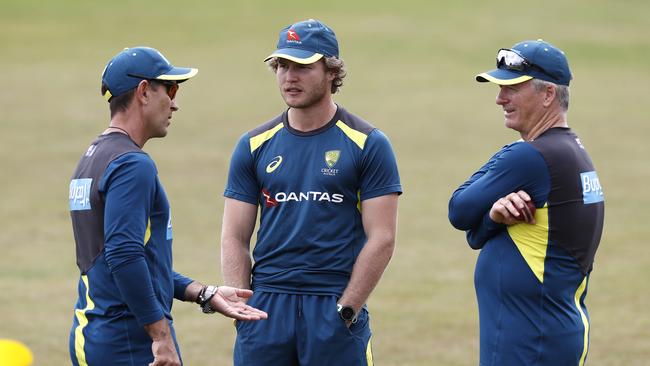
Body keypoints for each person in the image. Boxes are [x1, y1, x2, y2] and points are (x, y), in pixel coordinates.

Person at [68, 46, 267, 366]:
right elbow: (124, 255)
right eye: (170, 89)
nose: (174, 103)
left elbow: (124, 258)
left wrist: (203, 293)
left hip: (95, 331)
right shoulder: (132, 165)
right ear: (144, 91)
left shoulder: (94, 157)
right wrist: (160, 336)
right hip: (129, 342)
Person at [221, 19, 402, 365]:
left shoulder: (368, 144)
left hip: (331, 303)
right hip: (267, 306)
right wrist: (241, 307)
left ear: (331, 71)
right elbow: (234, 236)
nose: (290, 76)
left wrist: (348, 308)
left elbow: (382, 238)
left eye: (303, 66)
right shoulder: (253, 145)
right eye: (283, 66)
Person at [448, 40, 605, 365]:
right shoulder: (574, 153)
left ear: (548, 94)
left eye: (512, 88)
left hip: (530, 342)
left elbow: (459, 209)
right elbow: (479, 235)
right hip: (550, 333)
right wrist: (493, 218)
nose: (499, 99)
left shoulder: (531, 158)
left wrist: (506, 158)